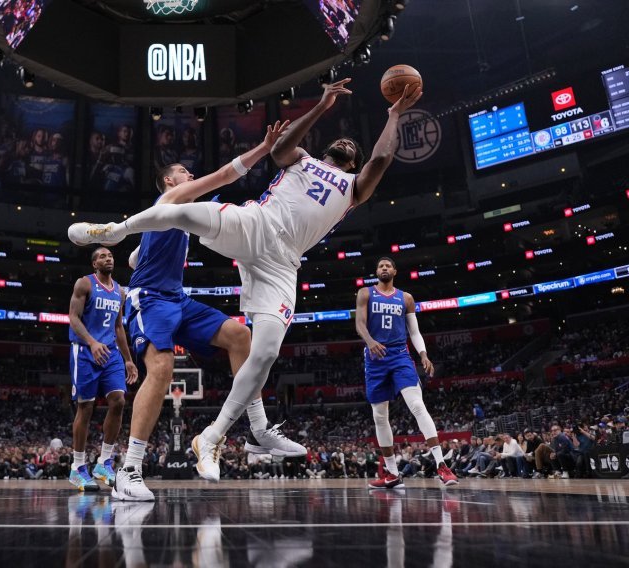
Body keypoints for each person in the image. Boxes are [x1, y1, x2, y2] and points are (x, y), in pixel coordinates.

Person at [69, 78, 422, 483]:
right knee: (181, 212)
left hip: (282, 265)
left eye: (353, 151)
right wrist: (321, 106)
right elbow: (278, 148)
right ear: (326, 151)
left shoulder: (355, 187)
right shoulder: (303, 159)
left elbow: (381, 159)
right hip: (257, 223)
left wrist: (394, 115)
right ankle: (115, 231)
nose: (347, 147)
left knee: (263, 348)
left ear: (354, 165)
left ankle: (221, 435)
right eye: (340, 144)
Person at [87, 121, 304, 501]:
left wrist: (140, 254)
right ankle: (130, 469)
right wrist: (263, 148)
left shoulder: (177, 217)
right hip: (150, 299)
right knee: (162, 368)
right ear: (171, 183)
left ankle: (257, 427)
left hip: (177, 298)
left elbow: (141, 254)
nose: (190, 175)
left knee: (241, 336)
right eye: (183, 173)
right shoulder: (170, 200)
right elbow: (224, 175)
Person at [356, 257, 458, 488]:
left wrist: (423, 354)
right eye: (380, 265)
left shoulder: (406, 298)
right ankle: (392, 473)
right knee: (379, 416)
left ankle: (442, 466)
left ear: (394, 271)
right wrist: (370, 341)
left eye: (387, 265)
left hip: (400, 355)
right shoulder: (365, 293)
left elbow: (414, 331)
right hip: (375, 358)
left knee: (417, 405)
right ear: (376, 271)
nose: (383, 268)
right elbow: (360, 324)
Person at [68, 247, 139, 491]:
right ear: (94, 264)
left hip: (110, 353)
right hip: (85, 351)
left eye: (109, 255)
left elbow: (119, 327)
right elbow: (73, 317)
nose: (107, 258)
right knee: (86, 407)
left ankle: (103, 463)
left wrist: (128, 359)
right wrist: (92, 342)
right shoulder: (84, 284)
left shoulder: (119, 291)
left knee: (119, 401)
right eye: (101, 256)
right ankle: (77, 467)